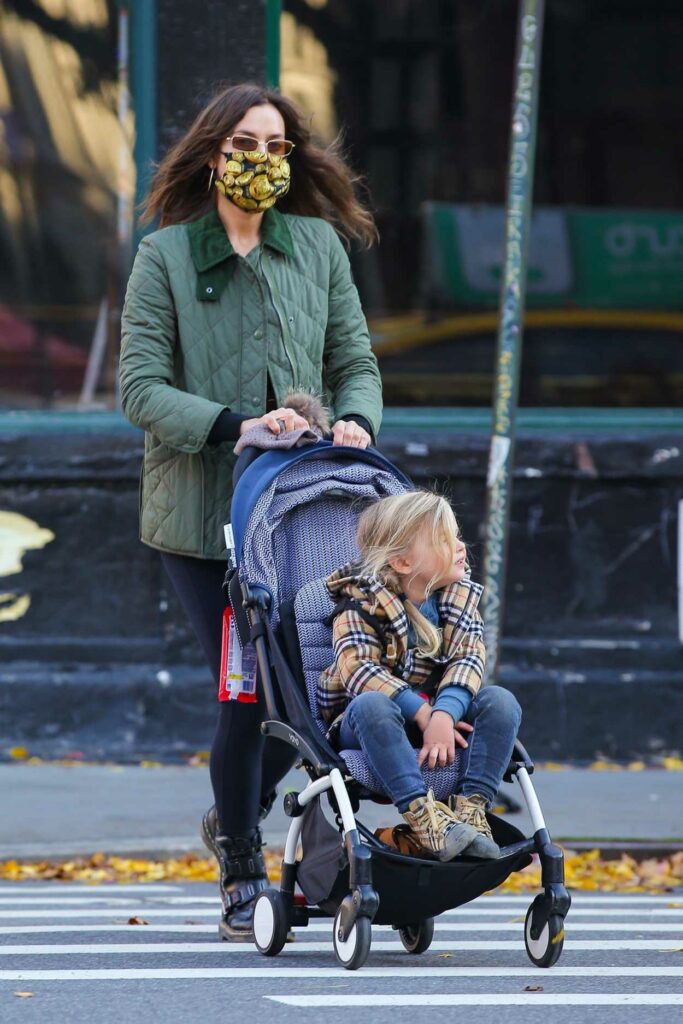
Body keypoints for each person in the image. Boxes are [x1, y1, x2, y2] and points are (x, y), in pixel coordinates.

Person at [119, 82, 383, 940]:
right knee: (243, 693)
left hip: (303, 515)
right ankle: (240, 864)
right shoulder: (165, 255)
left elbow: (356, 361)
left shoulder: (316, 247)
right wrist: (235, 427)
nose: (260, 161)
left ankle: (238, 805)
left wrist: (355, 419)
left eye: (276, 147)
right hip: (203, 522)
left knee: (310, 690)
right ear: (210, 153)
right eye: (243, 144)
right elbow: (139, 388)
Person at [318, 491, 522, 862]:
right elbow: (359, 670)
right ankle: (423, 817)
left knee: (500, 701)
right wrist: (424, 714)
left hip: (440, 718)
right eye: (445, 540)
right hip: (370, 727)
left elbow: (468, 657)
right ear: (402, 561)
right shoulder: (359, 605)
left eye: (457, 535)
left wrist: (444, 714)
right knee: (371, 704)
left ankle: (471, 811)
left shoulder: (456, 599)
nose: (461, 546)